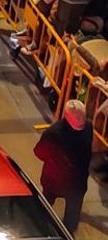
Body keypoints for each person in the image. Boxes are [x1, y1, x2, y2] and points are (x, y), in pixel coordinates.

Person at [34, 99, 93, 232]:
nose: (81, 119)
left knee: (66, 214)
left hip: (70, 182)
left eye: (81, 116)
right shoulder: (55, 133)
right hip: (62, 181)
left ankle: (59, 234)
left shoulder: (55, 132)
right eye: (78, 117)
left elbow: (39, 153)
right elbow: (39, 152)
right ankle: (46, 229)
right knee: (51, 207)